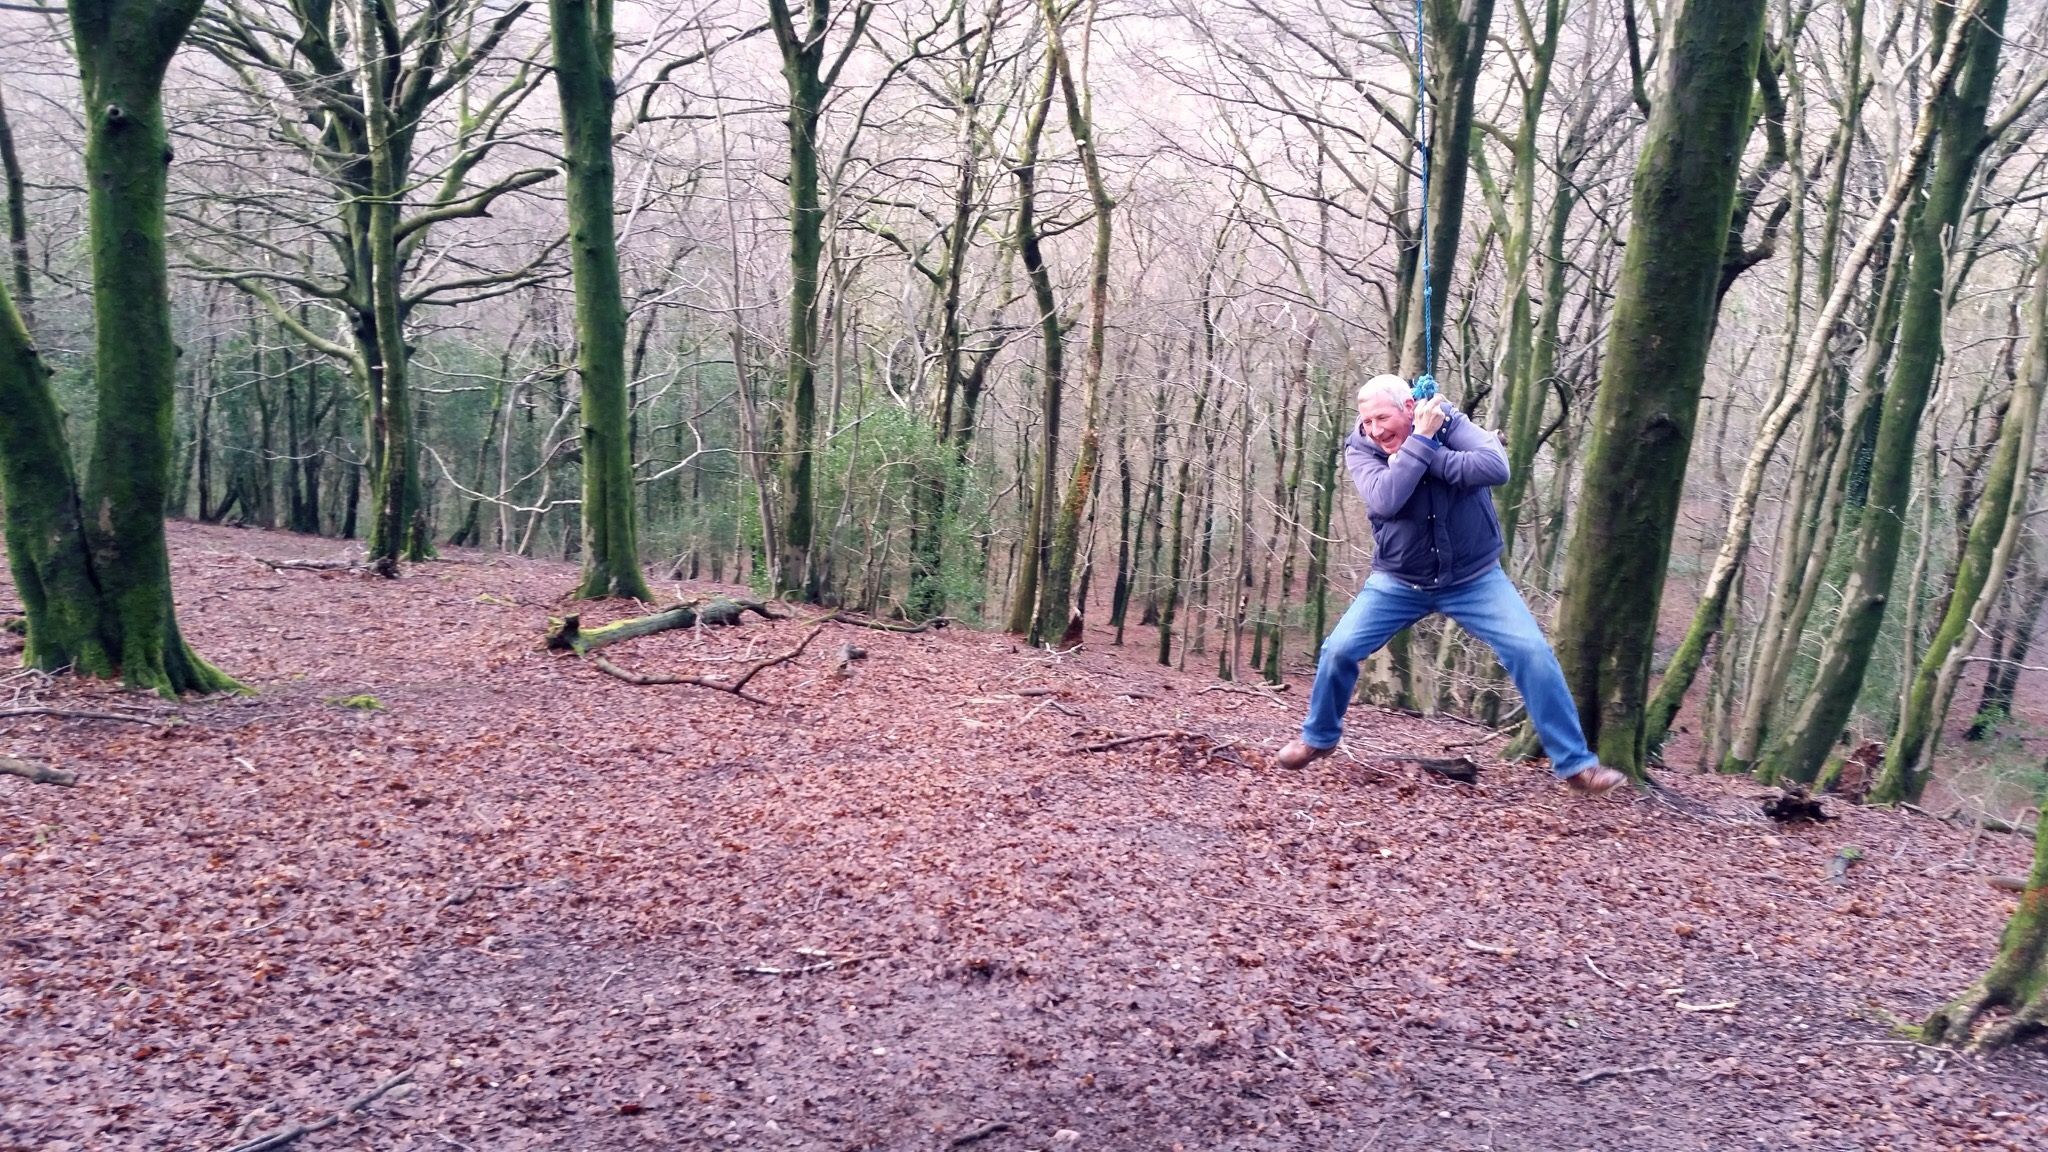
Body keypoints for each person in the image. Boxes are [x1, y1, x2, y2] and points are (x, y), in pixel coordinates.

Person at [1274, 374, 1626, 796]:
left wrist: (1425, 448)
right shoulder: (1360, 447)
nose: (1375, 430)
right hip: (1399, 579)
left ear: (1409, 407)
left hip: (1474, 577)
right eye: (1366, 421)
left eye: (1382, 418)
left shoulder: (1450, 422)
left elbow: (1496, 467)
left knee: (1530, 651)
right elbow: (1387, 497)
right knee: (1338, 650)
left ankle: (1575, 766)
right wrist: (1422, 447)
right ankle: (1319, 737)